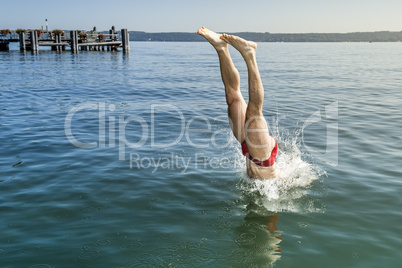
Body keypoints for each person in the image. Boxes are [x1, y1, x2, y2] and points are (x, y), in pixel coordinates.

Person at [197, 27, 283, 179]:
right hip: (261, 157)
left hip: (250, 150)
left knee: (232, 98)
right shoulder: (278, 183)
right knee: (254, 113)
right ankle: (249, 54)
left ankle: (221, 48)